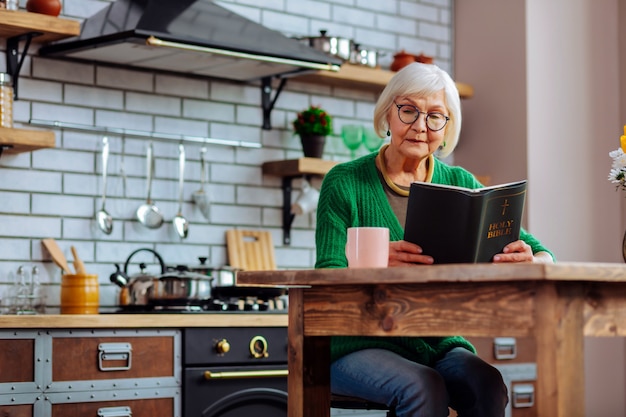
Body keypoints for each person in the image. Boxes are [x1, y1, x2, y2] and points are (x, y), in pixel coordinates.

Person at [315, 62, 555, 417]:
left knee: (487, 384)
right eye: (408, 110)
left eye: (435, 116)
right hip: (357, 342)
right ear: (388, 116)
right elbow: (326, 277)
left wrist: (534, 261)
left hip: (436, 341)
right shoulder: (344, 182)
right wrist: (374, 261)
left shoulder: (461, 182)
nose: (420, 126)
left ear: (447, 128)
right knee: (423, 386)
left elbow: (540, 251)